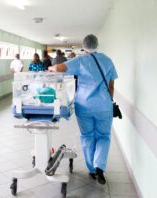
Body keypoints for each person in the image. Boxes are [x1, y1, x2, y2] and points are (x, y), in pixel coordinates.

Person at [49, 34, 118, 185]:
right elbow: (111, 86)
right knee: (104, 136)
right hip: (104, 106)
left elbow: (58, 68)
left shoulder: (80, 60)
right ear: (97, 45)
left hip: (84, 106)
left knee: (87, 136)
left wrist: (51, 66)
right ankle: (100, 166)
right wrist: (108, 101)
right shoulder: (107, 60)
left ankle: (92, 171)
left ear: (84, 46)